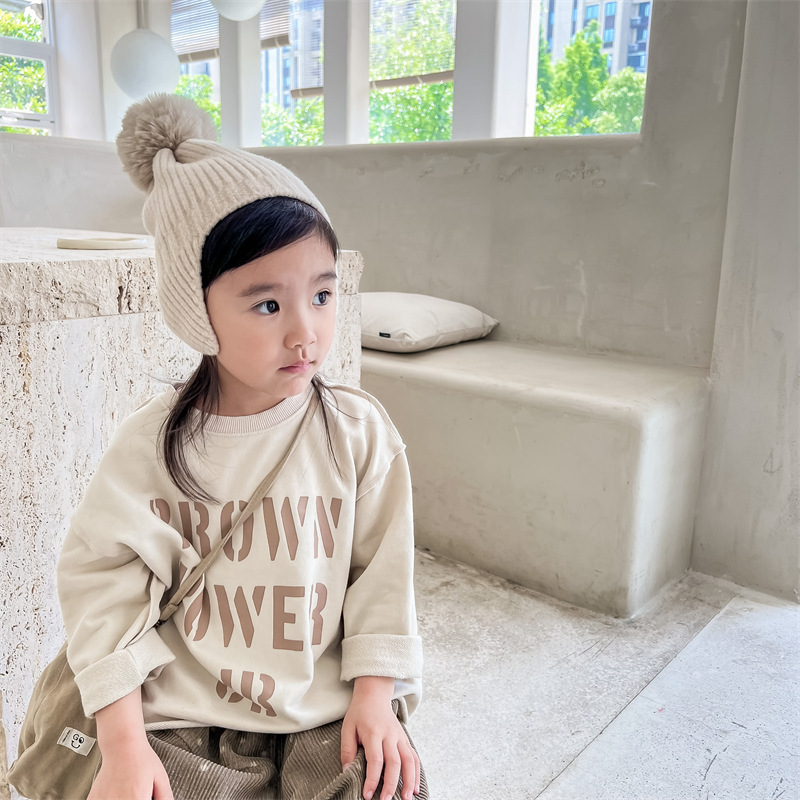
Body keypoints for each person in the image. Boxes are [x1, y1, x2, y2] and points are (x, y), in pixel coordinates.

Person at [56, 93, 426, 800]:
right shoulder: (153, 446)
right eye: (267, 304)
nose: (306, 332)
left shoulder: (358, 432)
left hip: (324, 710)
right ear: (197, 312)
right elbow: (103, 590)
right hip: (184, 717)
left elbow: (383, 575)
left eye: (322, 295)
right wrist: (124, 746)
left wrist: (376, 696)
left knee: (388, 785)